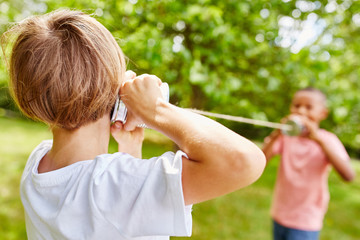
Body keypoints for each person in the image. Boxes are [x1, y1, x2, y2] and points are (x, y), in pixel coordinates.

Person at [1, 9, 266, 240]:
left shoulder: (38, 165)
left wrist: (130, 152)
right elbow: (244, 161)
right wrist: (156, 110)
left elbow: (110, 210)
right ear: (113, 86)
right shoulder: (112, 187)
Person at [262, 87, 355, 240]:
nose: (301, 111)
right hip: (280, 213)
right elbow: (262, 161)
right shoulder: (285, 138)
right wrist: (275, 135)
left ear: (322, 113)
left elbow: (348, 176)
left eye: (308, 107)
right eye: (296, 106)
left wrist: (318, 140)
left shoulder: (328, 140)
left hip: (306, 220)